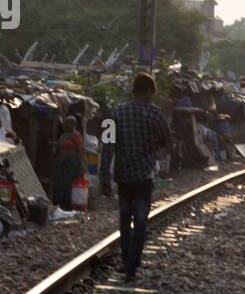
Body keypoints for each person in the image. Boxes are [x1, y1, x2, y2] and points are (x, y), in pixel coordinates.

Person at [99, 72, 172, 282]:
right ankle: (132, 265)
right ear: (150, 92)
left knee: (124, 219)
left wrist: (105, 178)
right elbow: (168, 142)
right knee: (140, 221)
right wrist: (154, 150)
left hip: (123, 177)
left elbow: (107, 147)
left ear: (133, 91)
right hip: (144, 177)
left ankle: (126, 260)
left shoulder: (115, 114)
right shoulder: (157, 115)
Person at [51, 116, 86, 210]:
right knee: (60, 184)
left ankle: (69, 206)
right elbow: (59, 146)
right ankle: (60, 205)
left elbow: (80, 151)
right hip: (62, 164)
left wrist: (82, 165)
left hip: (72, 164)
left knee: (69, 185)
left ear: (74, 125)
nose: (66, 125)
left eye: (69, 123)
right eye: (65, 123)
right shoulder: (63, 136)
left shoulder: (76, 136)